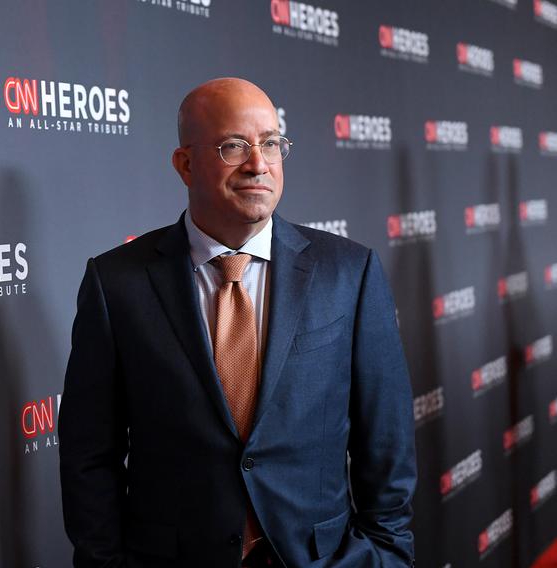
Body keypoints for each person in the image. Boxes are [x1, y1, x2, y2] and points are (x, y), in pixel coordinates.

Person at [59, 77, 416, 567]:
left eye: (271, 143)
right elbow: (88, 455)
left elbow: (387, 443)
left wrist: (387, 556)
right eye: (233, 146)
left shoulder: (350, 272)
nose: (258, 164)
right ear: (184, 164)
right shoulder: (116, 282)